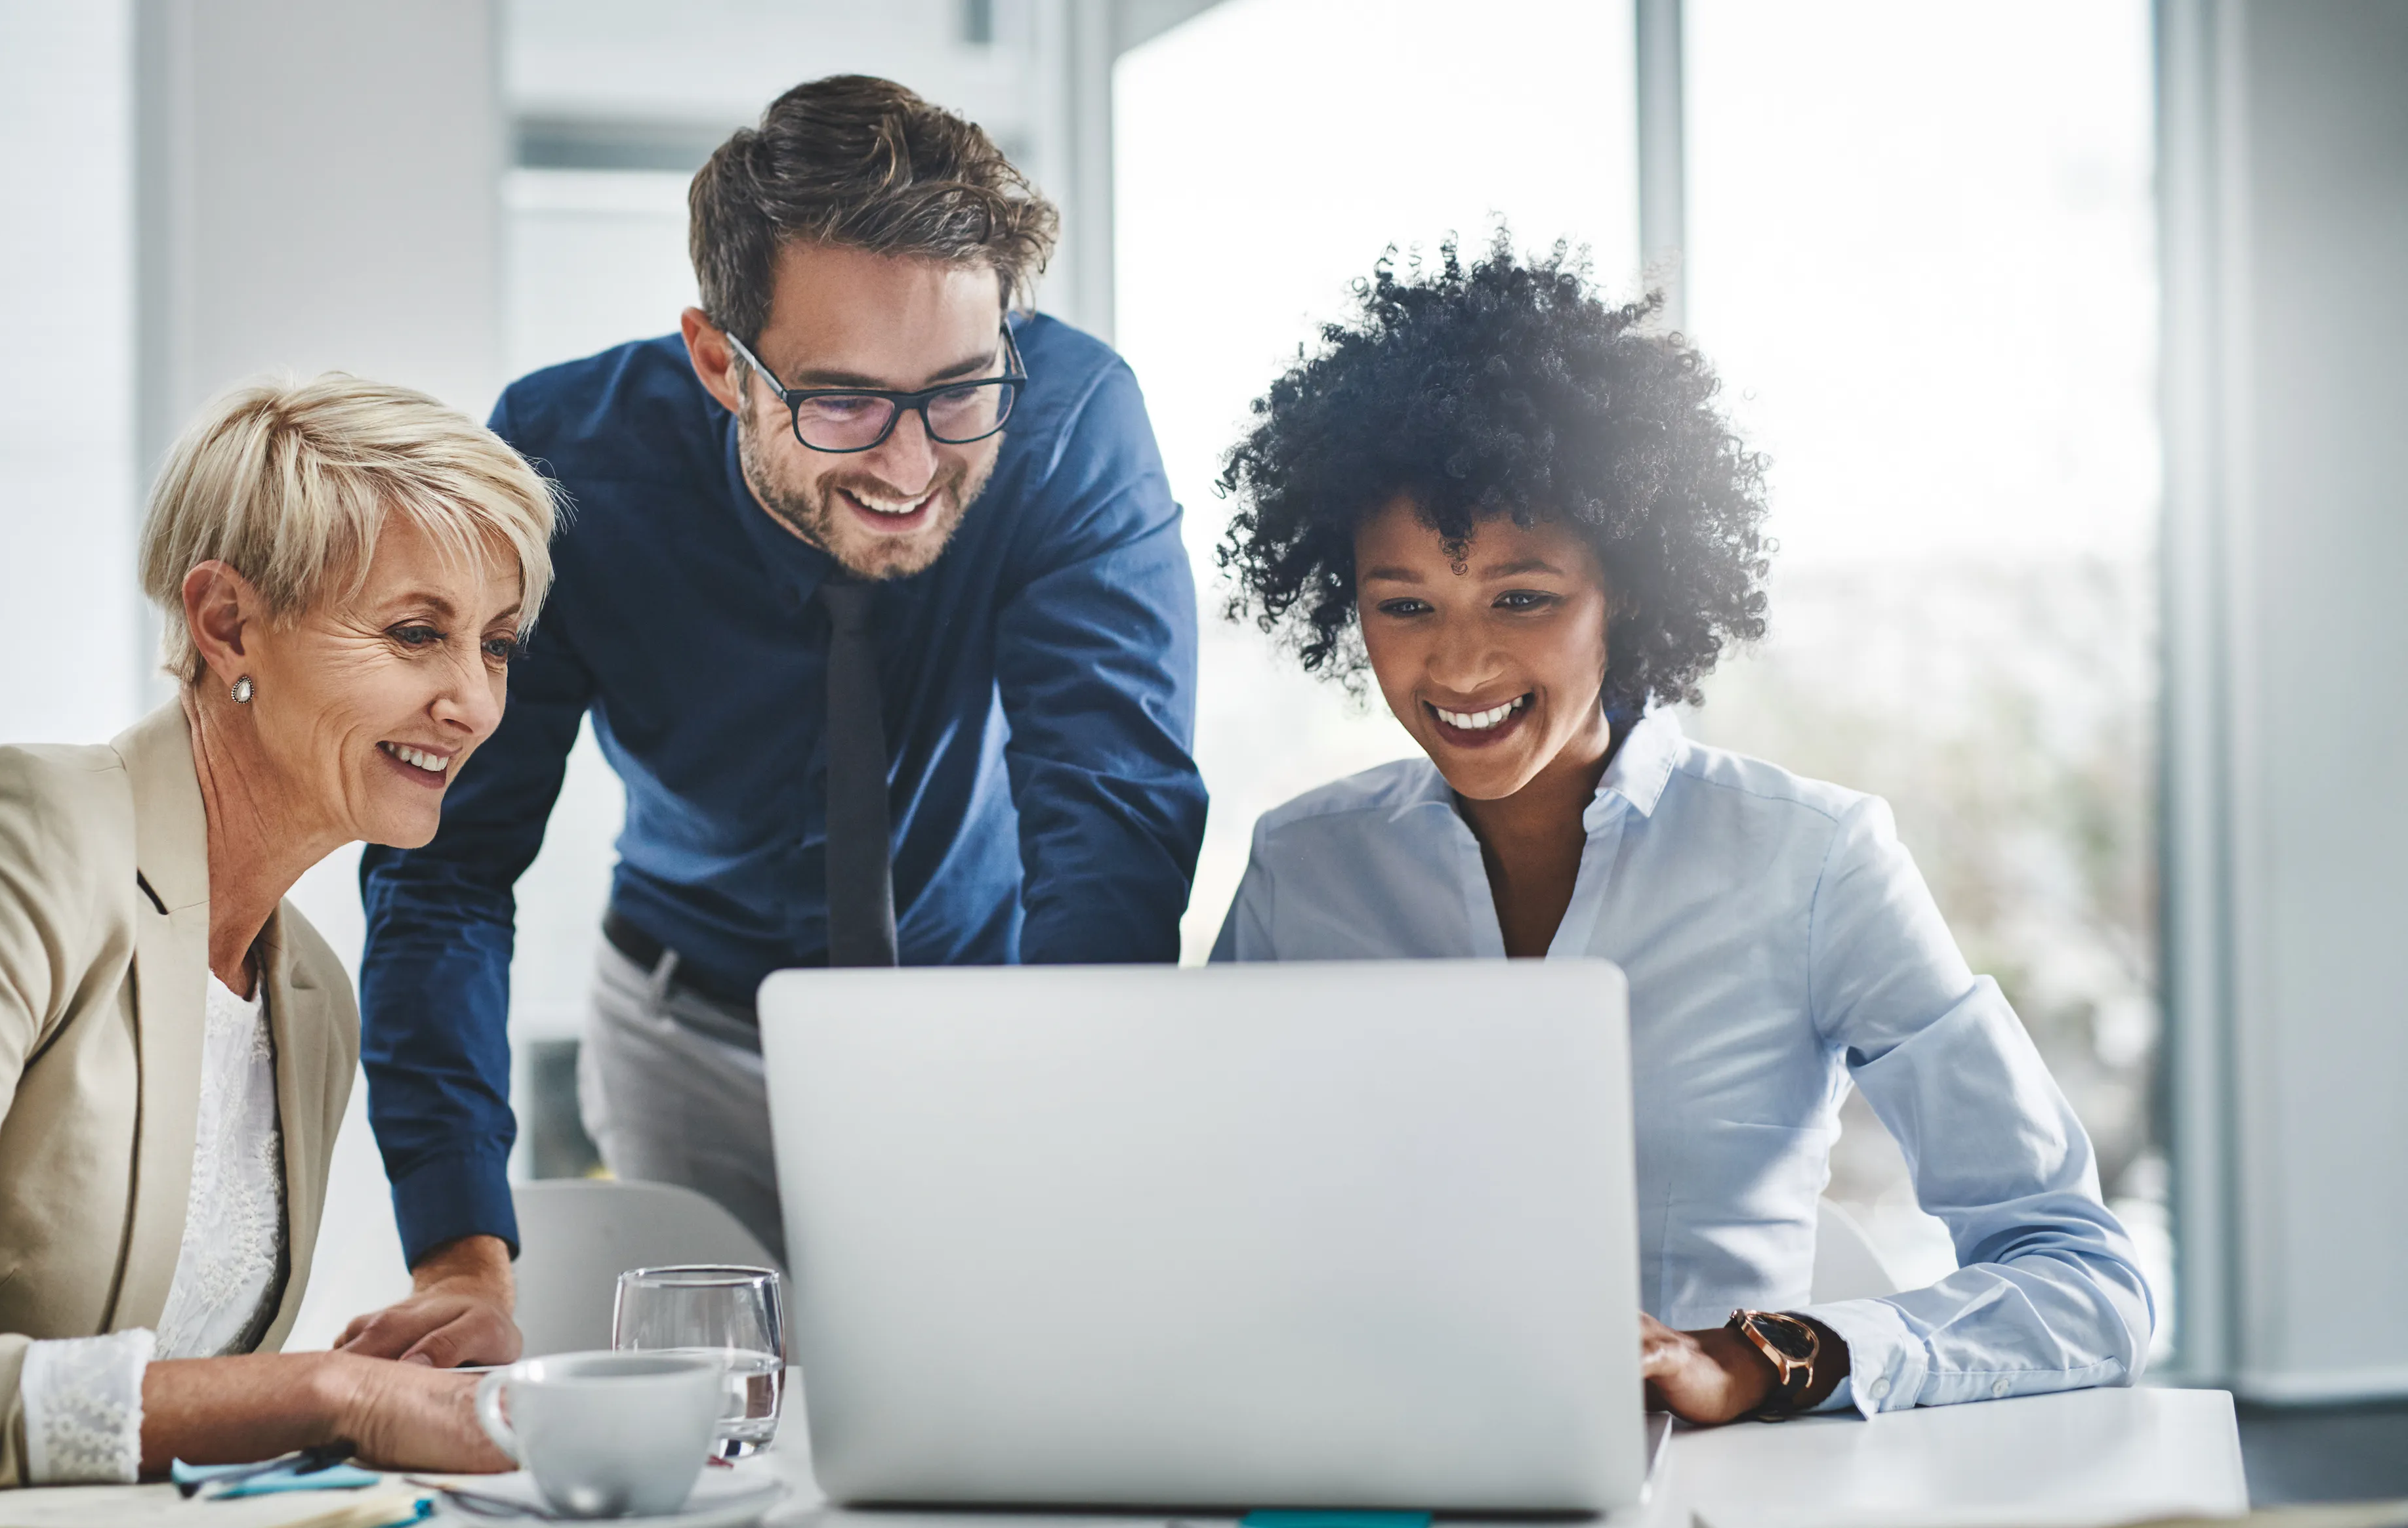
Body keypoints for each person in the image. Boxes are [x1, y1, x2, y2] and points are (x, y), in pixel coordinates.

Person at [1208, 238, 2151, 1424]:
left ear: (1633, 587)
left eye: (1522, 597)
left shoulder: (1812, 862)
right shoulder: (1304, 870)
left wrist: (1763, 1357)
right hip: (1368, 1471)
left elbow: (2086, 1278)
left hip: (1701, 1511)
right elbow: (1209, 1227)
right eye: (1404, 605)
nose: (1455, 663)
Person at [352, 73, 1207, 1308]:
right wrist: (454, 1248)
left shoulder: (1068, 423)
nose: (911, 464)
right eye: (844, 400)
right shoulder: (564, 463)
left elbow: (1111, 811)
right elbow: (446, 863)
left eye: (959, 389)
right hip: (686, 1033)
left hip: (992, 1022)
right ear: (719, 361)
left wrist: (1064, 1136)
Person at [0, 375, 551, 1528]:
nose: (473, 702)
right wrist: (324, 1395)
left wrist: (367, 1401)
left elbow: (143, 1439)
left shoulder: (309, 994)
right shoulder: (8, 837)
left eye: (496, 646)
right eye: (415, 633)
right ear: (227, 622)